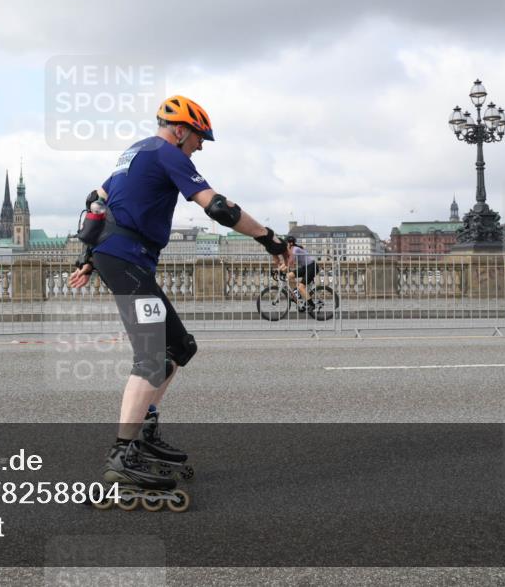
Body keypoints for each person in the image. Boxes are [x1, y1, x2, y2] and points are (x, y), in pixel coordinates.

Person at [69, 95, 288, 504]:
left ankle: (144, 434)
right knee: (151, 358)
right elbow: (219, 208)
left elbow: (95, 200)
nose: (200, 147)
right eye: (199, 138)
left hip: (120, 256)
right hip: (126, 258)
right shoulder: (166, 152)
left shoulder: (134, 153)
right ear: (181, 130)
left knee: (178, 348)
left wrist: (89, 255)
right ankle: (122, 454)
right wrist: (268, 238)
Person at [280, 235, 318, 312]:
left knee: (301, 287)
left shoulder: (295, 249)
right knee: (289, 276)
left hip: (312, 266)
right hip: (305, 267)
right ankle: (298, 296)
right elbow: (286, 262)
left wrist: (282, 269)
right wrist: (278, 270)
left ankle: (312, 305)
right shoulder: (291, 250)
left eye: (285, 243)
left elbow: (290, 263)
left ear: (290, 243)